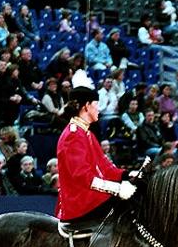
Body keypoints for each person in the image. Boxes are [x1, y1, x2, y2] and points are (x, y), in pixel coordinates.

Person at [55, 70, 136, 224]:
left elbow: (105, 167)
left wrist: (127, 175)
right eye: (96, 105)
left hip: (90, 195)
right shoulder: (73, 136)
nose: (98, 109)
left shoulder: (87, 133)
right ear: (86, 106)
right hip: (79, 201)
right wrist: (117, 189)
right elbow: (83, 177)